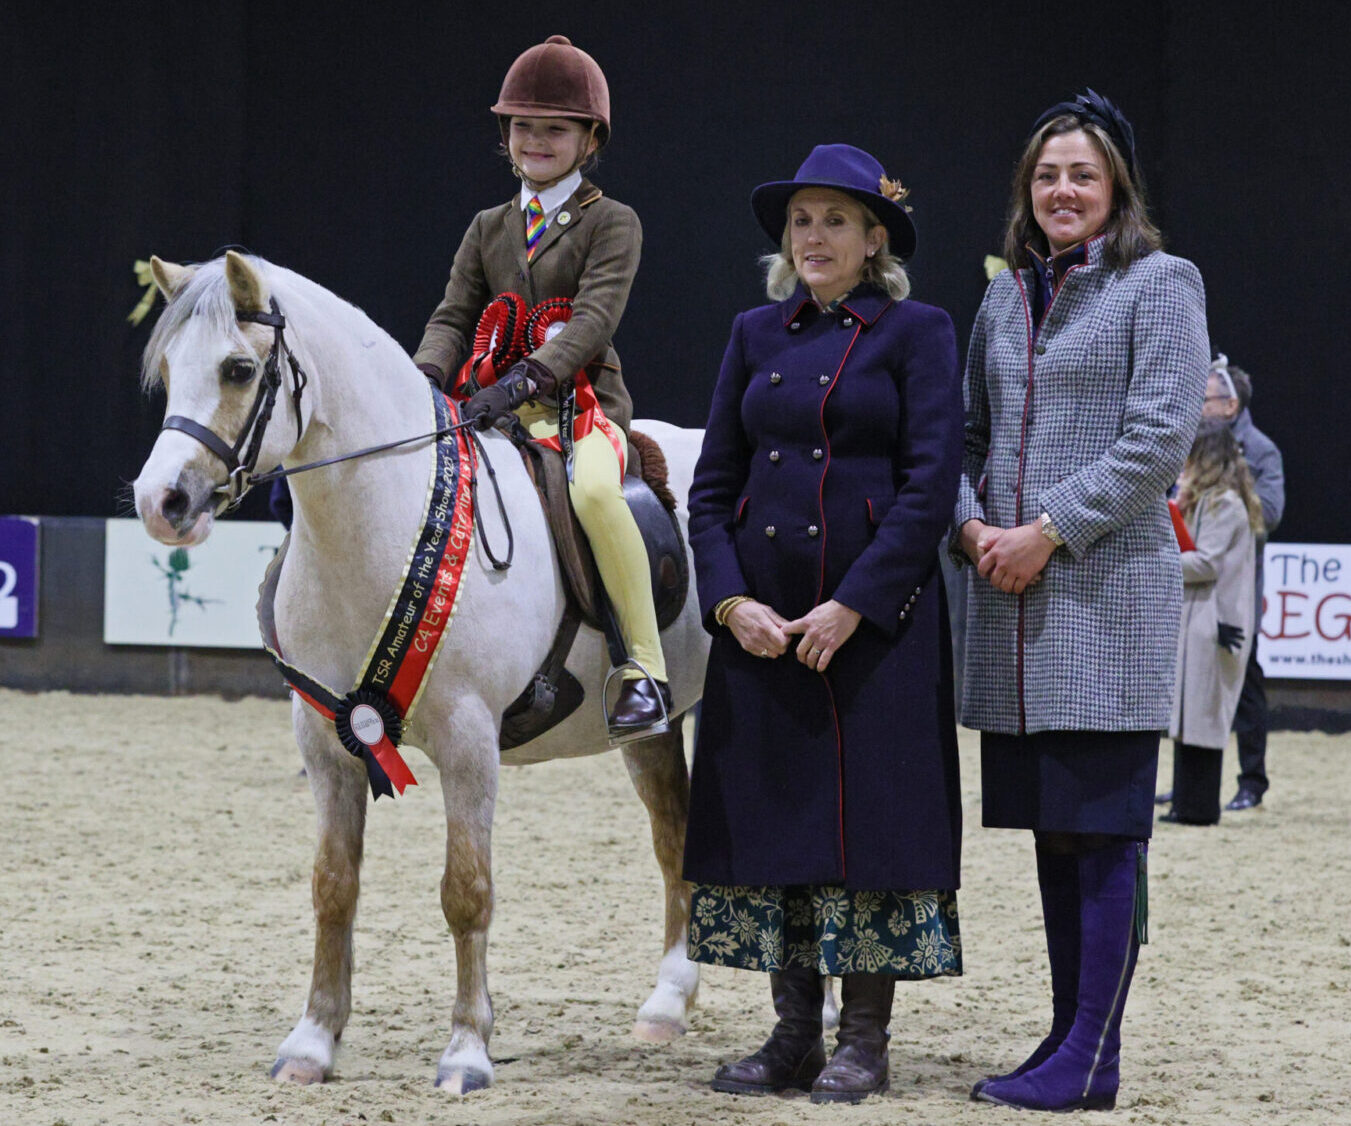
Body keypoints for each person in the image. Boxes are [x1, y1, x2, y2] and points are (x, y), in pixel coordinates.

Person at [686, 143, 963, 1104]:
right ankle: (794, 1034)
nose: (813, 236)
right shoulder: (754, 333)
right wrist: (731, 604)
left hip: (876, 629)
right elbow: (711, 490)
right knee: (778, 828)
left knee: (871, 835)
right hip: (765, 629)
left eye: (835, 220)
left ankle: (864, 1041)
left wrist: (855, 604)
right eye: (801, 221)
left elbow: (930, 488)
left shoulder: (918, 331)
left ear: (874, 238)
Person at [953, 91, 1208, 1111]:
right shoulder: (1002, 298)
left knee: (1104, 833)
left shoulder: (1161, 284)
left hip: (1103, 605)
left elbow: (1156, 441)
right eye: (1047, 175)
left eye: (1082, 175)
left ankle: (1093, 1054)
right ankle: (1071, 1044)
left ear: (1116, 189)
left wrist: (1046, 530)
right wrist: (973, 527)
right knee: (1053, 834)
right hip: (1011, 616)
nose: (1062, 190)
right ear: (1027, 189)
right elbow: (967, 438)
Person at [412, 35, 669, 737]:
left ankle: (643, 670)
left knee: (595, 494)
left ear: (590, 140)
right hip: (492, 411)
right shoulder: (487, 227)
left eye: (555, 129)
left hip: (580, 408)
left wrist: (528, 376)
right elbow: (453, 316)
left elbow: (592, 320)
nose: (535, 140)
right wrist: (424, 379)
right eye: (523, 126)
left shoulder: (612, 222)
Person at [1160, 421, 1262, 825]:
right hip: (1200, 619)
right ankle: (1185, 802)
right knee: (1190, 714)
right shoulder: (1207, 501)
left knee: (1204, 715)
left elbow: (1206, 563)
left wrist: (1160, 560)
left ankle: (1199, 807)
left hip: (1217, 622)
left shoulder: (1226, 504)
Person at [1222, 359, 1284, 809]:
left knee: (1246, 689)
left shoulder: (1261, 450)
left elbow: (1271, 514)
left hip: (1238, 587)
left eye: (1205, 398)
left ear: (1230, 404)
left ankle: (1252, 781)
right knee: (1192, 689)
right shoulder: (1189, 442)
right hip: (1195, 584)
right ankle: (1190, 782)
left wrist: (1220, 513)